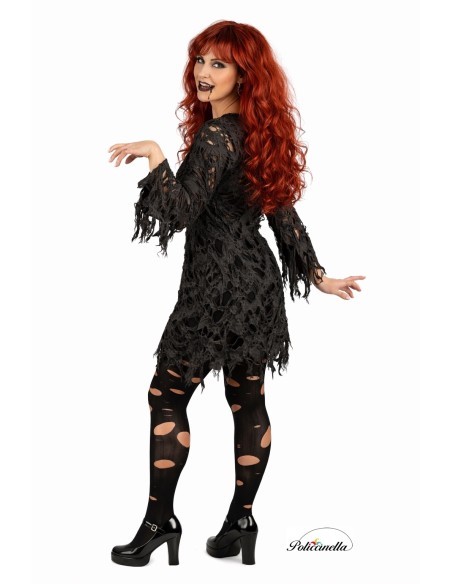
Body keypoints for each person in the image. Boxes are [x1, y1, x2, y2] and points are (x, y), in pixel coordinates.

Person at [107, 20, 365, 567]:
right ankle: (240, 521)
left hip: (214, 290)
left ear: (243, 75)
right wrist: (318, 276)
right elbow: (283, 216)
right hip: (257, 289)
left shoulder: (217, 137)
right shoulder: (255, 133)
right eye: (201, 60)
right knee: (247, 402)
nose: (204, 72)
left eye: (219, 64)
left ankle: (159, 522)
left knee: (166, 396)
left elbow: (178, 212)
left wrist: (155, 154)